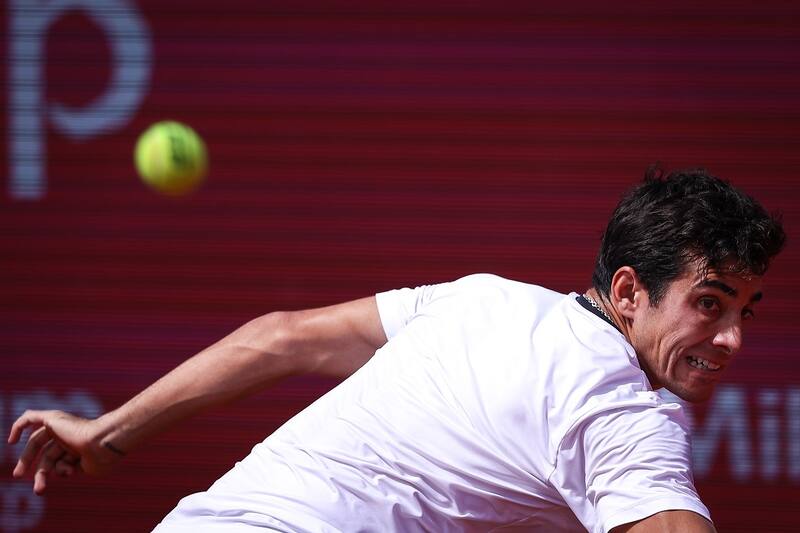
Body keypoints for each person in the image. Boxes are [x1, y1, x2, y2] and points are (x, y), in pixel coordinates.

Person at [8, 166, 785, 532]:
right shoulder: (623, 409)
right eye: (709, 303)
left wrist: (107, 433)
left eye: (744, 310)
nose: (731, 338)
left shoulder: (482, 297)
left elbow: (279, 336)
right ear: (628, 291)